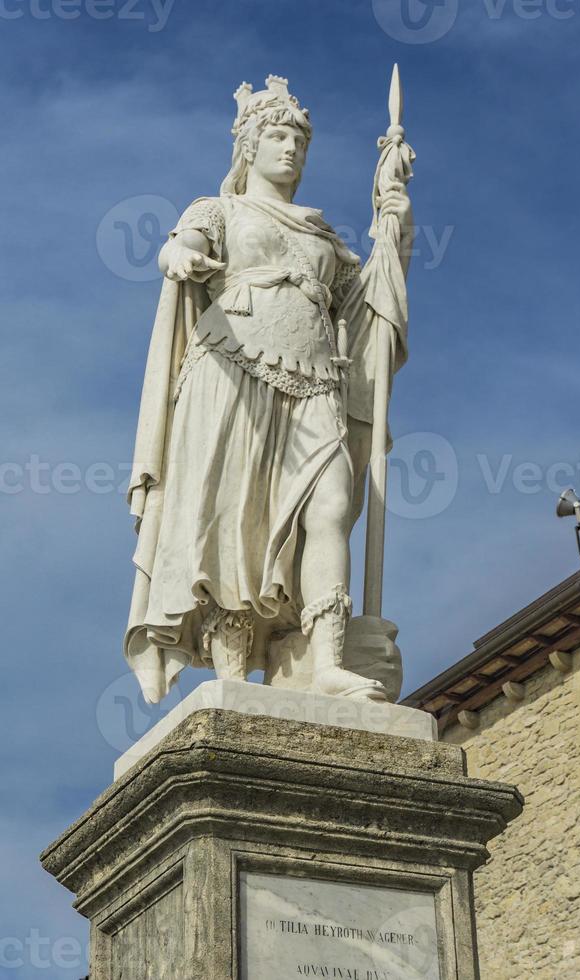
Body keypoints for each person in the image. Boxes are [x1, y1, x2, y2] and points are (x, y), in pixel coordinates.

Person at [125, 75, 413, 704]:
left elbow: (366, 311)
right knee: (237, 522)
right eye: (277, 137)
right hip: (231, 370)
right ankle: (232, 677)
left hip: (315, 379)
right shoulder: (219, 209)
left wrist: (393, 228)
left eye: (299, 141)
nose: (290, 150)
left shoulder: (321, 236)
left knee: (331, 504)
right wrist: (181, 258)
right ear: (249, 148)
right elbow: (184, 245)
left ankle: (329, 659)